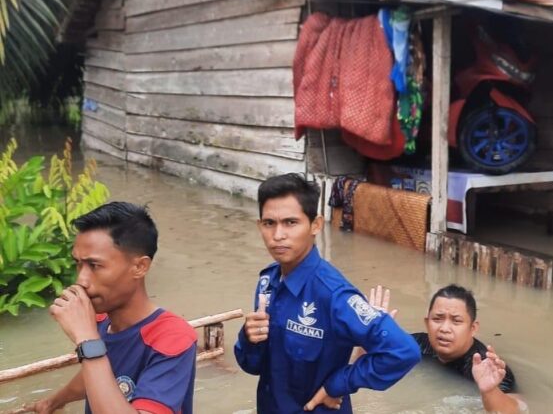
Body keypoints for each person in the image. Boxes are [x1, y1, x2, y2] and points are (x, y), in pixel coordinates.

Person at [234, 173, 420, 413]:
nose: (278, 235)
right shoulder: (267, 282)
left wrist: (339, 384)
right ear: (260, 225)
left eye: (290, 222)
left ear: (316, 225)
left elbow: (403, 351)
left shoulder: (334, 295)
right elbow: (253, 366)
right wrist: (248, 338)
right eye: (269, 223)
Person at [23, 202, 198, 414]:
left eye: (95, 266)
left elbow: (95, 359)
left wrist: (88, 341)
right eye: (78, 264)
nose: (81, 280)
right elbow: (100, 373)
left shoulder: (172, 338)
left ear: (139, 267)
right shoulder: (100, 322)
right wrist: (53, 402)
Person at [361, 284, 525, 414]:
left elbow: (519, 409)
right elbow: (363, 367)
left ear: (473, 328)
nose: (444, 328)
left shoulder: (488, 367)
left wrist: (489, 392)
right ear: (427, 323)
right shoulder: (417, 345)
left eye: (456, 321)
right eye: (438, 319)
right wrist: (369, 335)